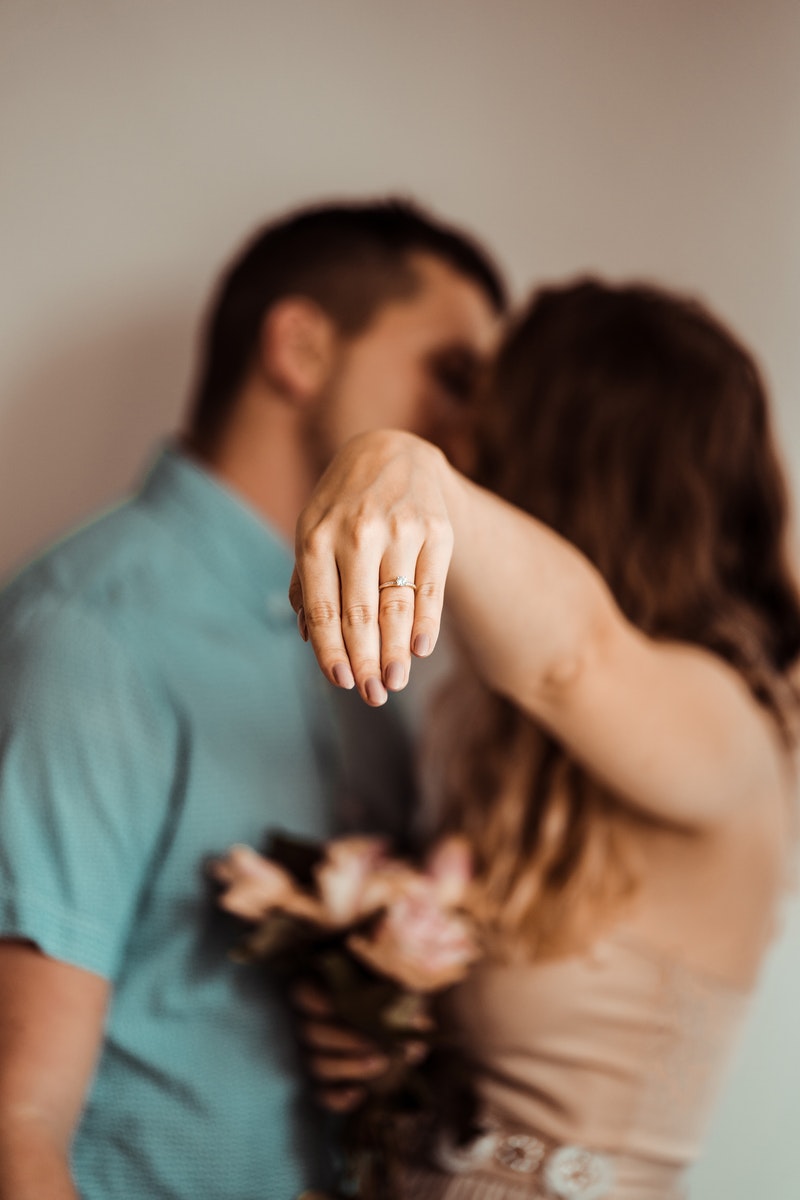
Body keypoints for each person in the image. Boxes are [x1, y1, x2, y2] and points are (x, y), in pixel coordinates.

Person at [0, 199, 506, 1200]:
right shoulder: (93, 631)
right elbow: (20, 1121)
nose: (473, 426)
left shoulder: (366, 646)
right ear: (301, 347)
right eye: (451, 374)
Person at [291, 279, 800, 1199]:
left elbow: (574, 658)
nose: (463, 440)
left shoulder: (726, 723)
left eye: (485, 426)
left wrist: (411, 471)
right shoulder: (513, 744)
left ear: (557, 468)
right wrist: (390, 1032)